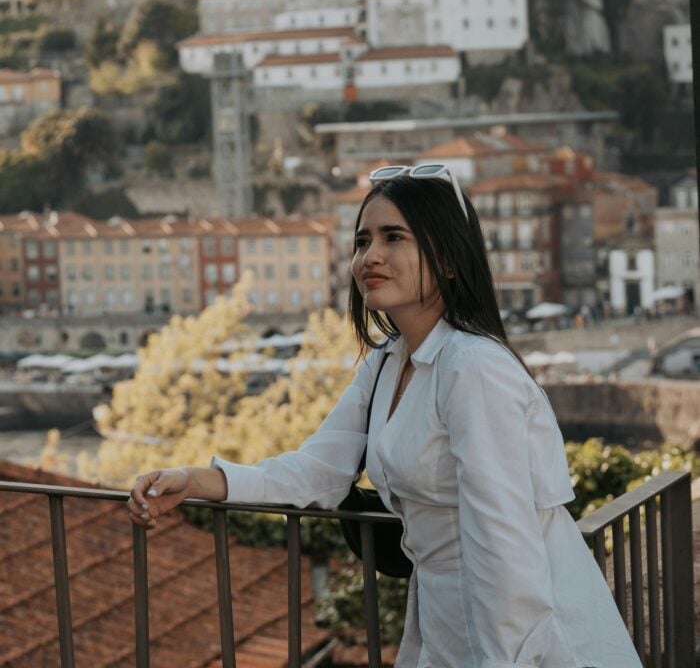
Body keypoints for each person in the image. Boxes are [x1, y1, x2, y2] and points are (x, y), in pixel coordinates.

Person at [128, 165, 643, 668]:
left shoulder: (473, 368)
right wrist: (196, 479)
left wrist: (505, 655)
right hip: (445, 613)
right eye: (361, 241)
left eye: (393, 237)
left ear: (446, 259)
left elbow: (504, 540)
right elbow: (320, 469)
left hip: (524, 627)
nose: (369, 257)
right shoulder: (385, 362)